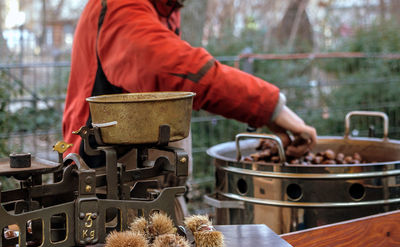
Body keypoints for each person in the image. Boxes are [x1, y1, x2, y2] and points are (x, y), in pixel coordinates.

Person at [62, 0, 317, 167]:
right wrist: (270, 107)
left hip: (136, 165)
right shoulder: (122, 8)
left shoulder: (165, 10)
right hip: (96, 166)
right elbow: (178, 69)